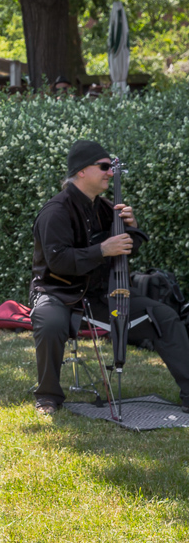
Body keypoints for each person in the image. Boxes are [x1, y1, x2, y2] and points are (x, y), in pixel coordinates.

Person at [29, 139, 189, 415]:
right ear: (81, 171)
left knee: (163, 316)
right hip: (58, 293)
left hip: (102, 294)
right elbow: (58, 262)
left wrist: (131, 227)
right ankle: (48, 396)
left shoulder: (104, 208)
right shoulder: (55, 212)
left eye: (110, 167)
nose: (110, 172)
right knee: (50, 322)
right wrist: (103, 249)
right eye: (103, 167)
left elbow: (125, 250)